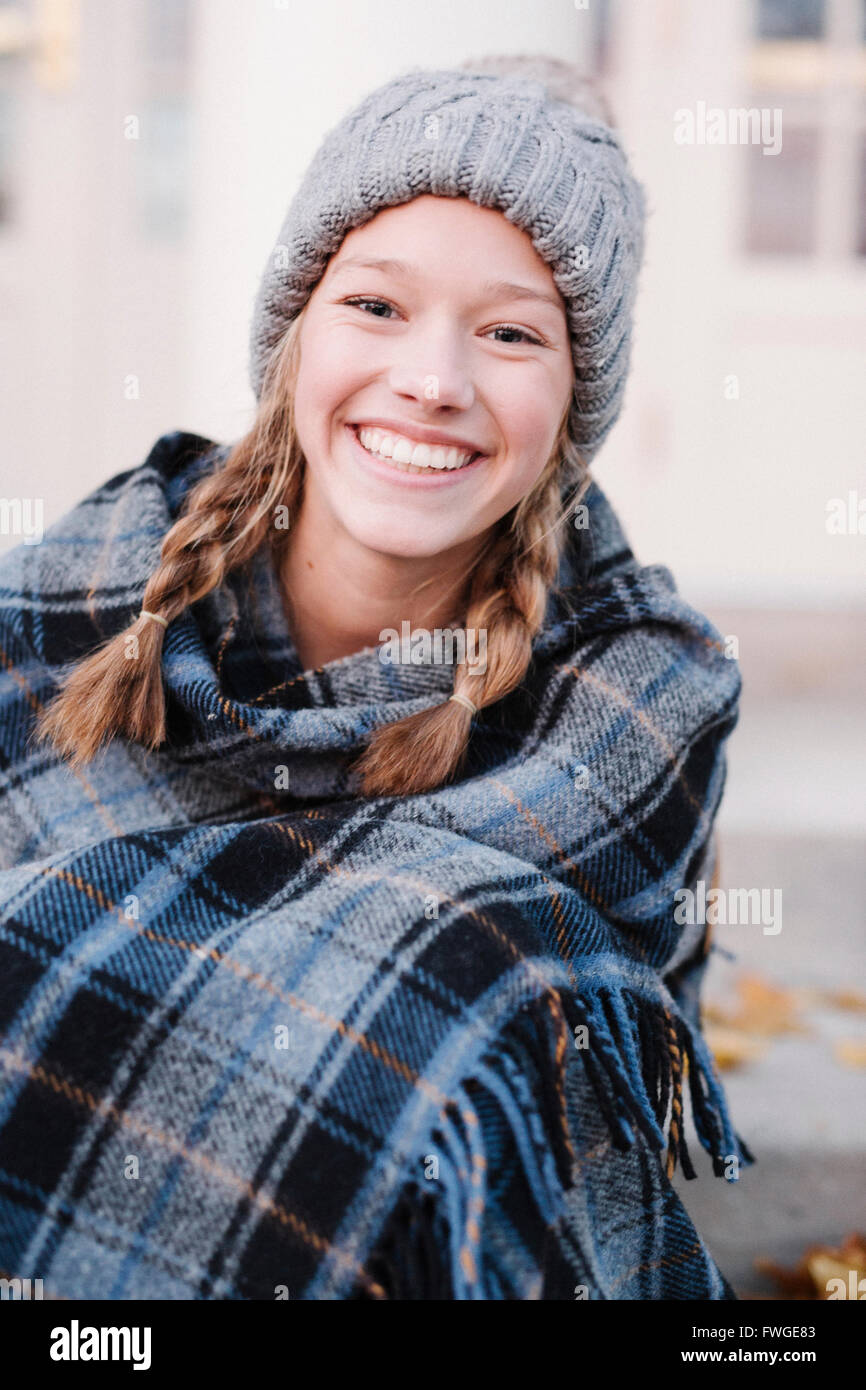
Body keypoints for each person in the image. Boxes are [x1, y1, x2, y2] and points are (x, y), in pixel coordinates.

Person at [0, 55, 750, 1300]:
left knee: (489, 961)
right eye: (378, 307)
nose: (434, 382)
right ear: (297, 330)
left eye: (510, 332)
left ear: (573, 397)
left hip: (397, 1234)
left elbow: (556, 1050)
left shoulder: (639, 691)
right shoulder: (78, 593)